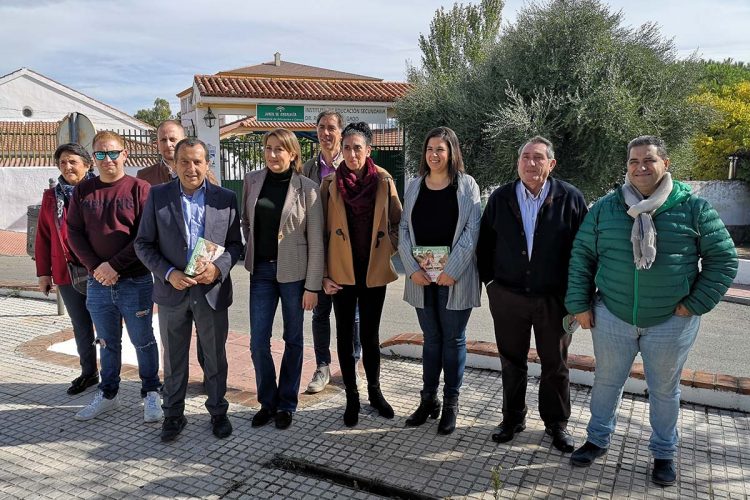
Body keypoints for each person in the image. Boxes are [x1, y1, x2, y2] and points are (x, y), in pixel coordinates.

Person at [565, 135, 738, 486]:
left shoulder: (693, 208)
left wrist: (694, 304)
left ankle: (663, 453)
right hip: (612, 315)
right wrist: (578, 304)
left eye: (649, 160)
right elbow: (582, 255)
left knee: (664, 390)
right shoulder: (606, 208)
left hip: (672, 322)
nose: (640, 167)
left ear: (665, 164)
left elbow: (723, 259)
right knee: (607, 382)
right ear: (626, 166)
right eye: (633, 162)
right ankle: (597, 440)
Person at [476, 135, 587, 452]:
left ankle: (557, 424)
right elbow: (485, 245)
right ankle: (512, 418)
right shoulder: (501, 198)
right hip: (508, 297)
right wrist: (492, 285)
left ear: (551, 164)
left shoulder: (571, 199)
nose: (530, 163)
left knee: (555, 364)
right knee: (511, 361)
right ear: (518, 163)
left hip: (556, 301)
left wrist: (577, 296)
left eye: (538, 157)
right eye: (525, 157)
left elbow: (585, 251)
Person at [135, 138, 243, 442]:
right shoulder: (158, 197)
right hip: (173, 293)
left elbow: (235, 245)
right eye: (184, 161)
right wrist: (168, 274)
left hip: (211, 292)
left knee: (215, 357)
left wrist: (218, 268)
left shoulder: (225, 198)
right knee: (174, 359)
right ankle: (173, 415)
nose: (191, 168)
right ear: (174, 163)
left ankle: (218, 412)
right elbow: (143, 244)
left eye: (197, 161)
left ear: (207, 164)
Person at [66, 130, 163, 423]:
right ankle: (108, 394)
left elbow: (145, 235)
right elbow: (74, 233)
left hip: (135, 280)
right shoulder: (83, 191)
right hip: (97, 282)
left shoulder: (140, 189)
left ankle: (151, 394)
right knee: (106, 341)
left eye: (112, 153)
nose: (107, 159)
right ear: (93, 158)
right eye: (100, 154)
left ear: (124, 154)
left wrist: (114, 266)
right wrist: (97, 267)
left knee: (143, 340)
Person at [398, 127, 481, 435]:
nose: (434, 154)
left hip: (453, 279)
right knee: (431, 339)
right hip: (421, 277)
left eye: (440, 149)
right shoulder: (414, 185)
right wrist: (411, 268)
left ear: (452, 153)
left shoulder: (467, 186)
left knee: (453, 339)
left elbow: (472, 232)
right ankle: (428, 400)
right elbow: (403, 230)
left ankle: (451, 405)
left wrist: (452, 270)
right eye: (429, 149)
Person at [241, 128, 324, 430]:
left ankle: (287, 403)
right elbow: (246, 222)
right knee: (258, 341)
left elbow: (316, 242)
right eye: (269, 148)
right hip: (261, 272)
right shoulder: (252, 182)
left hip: (294, 275)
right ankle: (267, 401)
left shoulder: (308, 188)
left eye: (280, 149)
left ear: (293, 154)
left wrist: (313, 285)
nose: (273, 154)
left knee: (293, 339)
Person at [321, 122, 402, 427]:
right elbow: (320, 232)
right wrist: (325, 273)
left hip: (372, 271)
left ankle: (375, 392)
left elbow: (398, 223)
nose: (352, 153)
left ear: (369, 150)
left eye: (358, 147)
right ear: (340, 150)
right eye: (347, 147)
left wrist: (387, 249)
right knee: (343, 334)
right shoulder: (329, 184)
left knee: (370, 335)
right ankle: (352, 397)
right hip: (341, 272)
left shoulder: (383, 180)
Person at [136, 120, 216, 381]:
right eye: (163, 140)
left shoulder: (206, 174)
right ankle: (173, 397)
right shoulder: (146, 178)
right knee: (174, 348)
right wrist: (166, 271)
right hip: (169, 277)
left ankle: (210, 381)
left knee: (209, 343)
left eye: (173, 139)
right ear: (156, 144)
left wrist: (213, 266)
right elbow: (144, 233)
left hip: (204, 277)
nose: (168, 144)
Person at [302, 110, 363, 394]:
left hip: (348, 255)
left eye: (332, 128)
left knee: (352, 317)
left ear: (340, 132)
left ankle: (353, 366)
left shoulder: (353, 165)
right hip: (318, 253)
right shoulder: (307, 170)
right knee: (320, 314)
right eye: (322, 128)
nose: (326, 133)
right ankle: (322, 366)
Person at [35, 143, 98, 395]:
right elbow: (43, 236)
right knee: (81, 325)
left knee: (106, 327)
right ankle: (89, 372)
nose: (67, 166)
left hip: (99, 271)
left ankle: (112, 377)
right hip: (66, 272)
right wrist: (43, 273)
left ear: (87, 164)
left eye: (73, 161)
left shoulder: (99, 191)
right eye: (62, 162)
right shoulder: (51, 196)